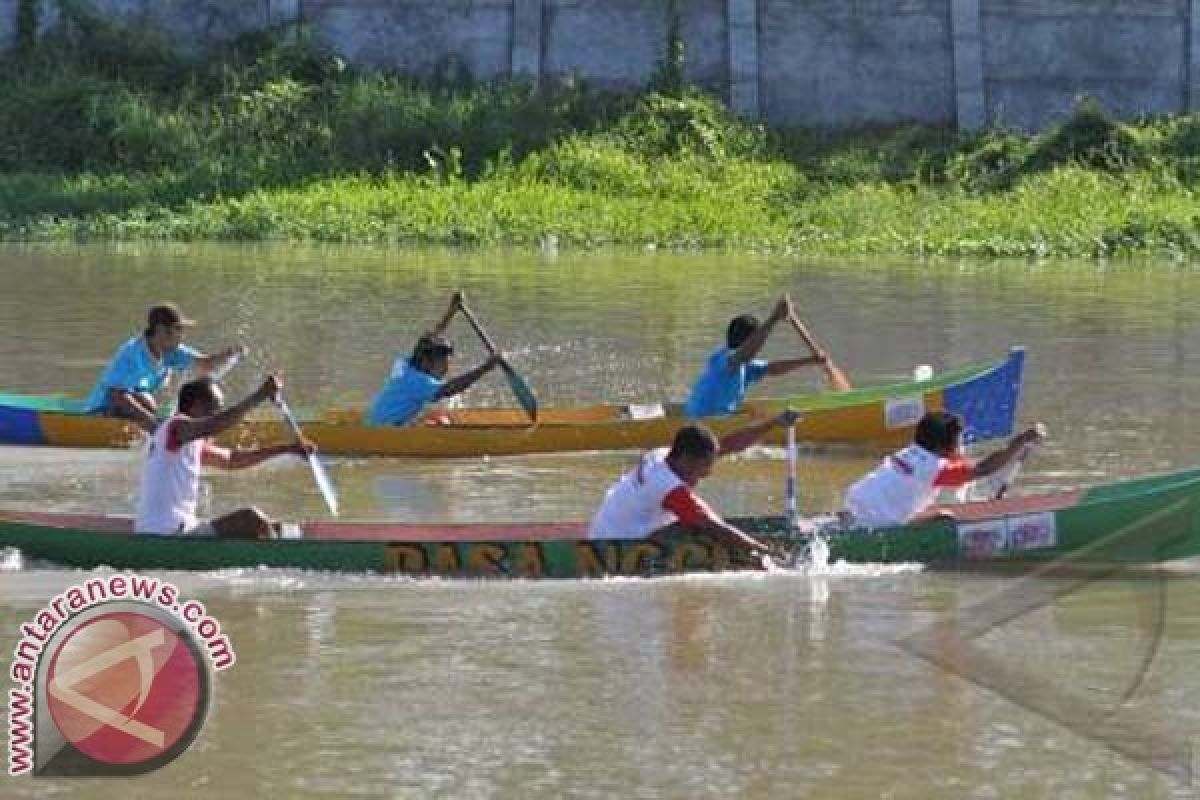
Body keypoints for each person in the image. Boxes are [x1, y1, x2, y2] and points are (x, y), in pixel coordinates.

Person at [588, 410, 801, 556]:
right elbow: (712, 527)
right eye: (704, 467)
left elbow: (727, 445)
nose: (707, 474)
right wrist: (763, 551)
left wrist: (773, 423)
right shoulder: (668, 487)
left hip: (602, 530)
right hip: (615, 546)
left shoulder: (663, 455)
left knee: (701, 516)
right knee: (699, 527)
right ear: (686, 458)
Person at [135, 374, 314, 539]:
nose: (219, 413)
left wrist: (288, 449)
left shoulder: (187, 441)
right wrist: (260, 395)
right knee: (250, 518)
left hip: (176, 529)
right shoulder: (176, 426)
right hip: (167, 532)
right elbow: (215, 425)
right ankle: (281, 558)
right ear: (196, 406)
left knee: (269, 526)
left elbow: (231, 460)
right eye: (215, 409)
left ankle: (288, 538)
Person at [843, 410, 1045, 528]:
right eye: (958, 441)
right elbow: (984, 469)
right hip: (877, 521)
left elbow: (961, 463)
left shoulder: (912, 451)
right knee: (944, 518)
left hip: (856, 500)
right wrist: (1019, 443)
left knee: (933, 510)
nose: (961, 444)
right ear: (941, 447)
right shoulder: (936, 468)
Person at [84, 303, 244, 433]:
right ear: (161, 330)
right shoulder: (132, 353)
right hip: (101, 411)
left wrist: (229, 354)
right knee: (146, 401)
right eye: (178, 329)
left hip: (134, 409)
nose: (182, 335)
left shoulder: (171, 351)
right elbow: (116, 395)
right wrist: (154, 423)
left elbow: (206, 364)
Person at [683, 294, 829, 419]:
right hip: (703, 423)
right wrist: (773, 319)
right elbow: (744, 355)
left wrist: (810, 361)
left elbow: (772, 369)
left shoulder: (744, 365)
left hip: (714, 419)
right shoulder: (725, 359)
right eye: (757, 339)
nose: (760, 346)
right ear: (749, 341)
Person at [367, 292, 503, 426]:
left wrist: (452, 310)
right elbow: (450, 389)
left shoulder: (405, 365)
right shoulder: (419, 382)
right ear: (427, 362)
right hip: (387, 432)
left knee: (438, 418)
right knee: (441, 422)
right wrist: (485, 368)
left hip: (375, 424)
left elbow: (431, 338)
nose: (445, 371)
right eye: (442, 366)